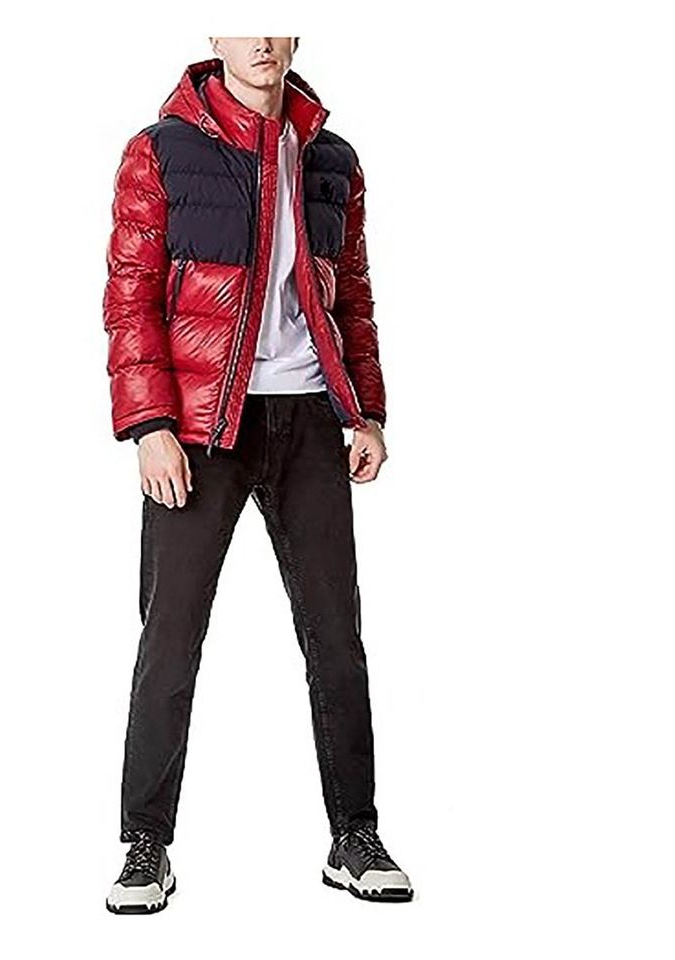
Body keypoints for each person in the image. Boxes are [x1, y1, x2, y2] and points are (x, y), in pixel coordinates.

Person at [102, 37, 413, 913]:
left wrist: (367, 412)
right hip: (202, 426)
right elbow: (129, 297)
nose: (262, 38)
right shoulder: (161, 150)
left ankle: (355, 835)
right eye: (244, 22)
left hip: (310, 418)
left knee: (336, 637)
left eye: (278, 21)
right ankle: (144, 844)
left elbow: (353, 295)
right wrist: (150, 427)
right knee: (170, 639)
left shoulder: (331, 158)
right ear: (215, 36)